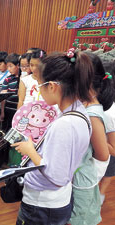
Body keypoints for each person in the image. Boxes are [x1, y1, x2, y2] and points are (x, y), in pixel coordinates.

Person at [12, 51, 93, 225]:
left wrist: (30, 151)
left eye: (40, 85)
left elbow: (56, 176)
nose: (39, 91)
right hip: (57, 199)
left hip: (42, 204)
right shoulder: (80, 112)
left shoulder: (64, 124)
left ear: (52, 86)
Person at [68, 52, 115, 225]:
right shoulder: (87, 109)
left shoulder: (93, 116)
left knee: (79, 220)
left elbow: (103, 154)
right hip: (79, 178)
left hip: (82, 183)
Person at [99, 60, 115, 205]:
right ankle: (100, 194)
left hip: (106, 145)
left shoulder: (110, 112)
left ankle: (100, 195)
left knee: (109, 171)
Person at [0, 53, 21, 130]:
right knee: (6, 130)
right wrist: (2, 112)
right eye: (7, 66)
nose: (8, 69)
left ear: (18, 65)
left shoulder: (24, 79)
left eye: (11, 66)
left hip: (18, 110)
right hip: (8, 109)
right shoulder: (7, 79)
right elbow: (3, 98)